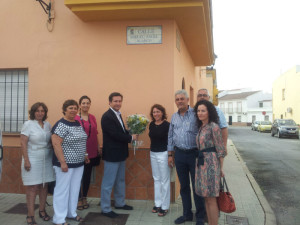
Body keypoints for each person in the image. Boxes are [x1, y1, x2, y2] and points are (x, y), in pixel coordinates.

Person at [167, 90, 205, 225]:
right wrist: (170, 154)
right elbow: (170, 136)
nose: (179, 101)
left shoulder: (196, 114)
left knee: (197, 187)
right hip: (179, 155)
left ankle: (200, 216)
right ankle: (187, 214)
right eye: (177, 99)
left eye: (182, 99)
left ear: (188, 100)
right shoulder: (174, 117)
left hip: (195, 154)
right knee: (184, 186)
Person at [51, 99, 89, 225]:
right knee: (62, 190)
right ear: (65, 110)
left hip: (78, 164)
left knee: (74, 189)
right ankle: (59, 219)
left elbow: (81, 140)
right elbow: (56, 144)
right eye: (70, 108)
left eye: (74, 108)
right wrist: (62, 162)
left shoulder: (77, 123)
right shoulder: (61, 124)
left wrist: (85, 155)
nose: (73, 110)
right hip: (65, 164)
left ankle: (71, 213)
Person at [100, 92, 138, 218]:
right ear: (109, 102)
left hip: (121, 154)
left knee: (120, 181)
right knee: (108, 183)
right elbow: (114, 134)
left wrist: (131, 132)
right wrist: (130, 138)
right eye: (115, 101)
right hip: (112, 155)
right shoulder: (107, 116)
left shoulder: (118, 114)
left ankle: (120, 203)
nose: (118, 103)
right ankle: (105, 208)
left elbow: (120, 131)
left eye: (120, 101)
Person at [20, 102, 55, 225]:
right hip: (32, 158)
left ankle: (42, 211)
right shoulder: (28, 124)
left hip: (46, 158)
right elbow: (23, 143)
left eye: (42, 111)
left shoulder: (47, 125)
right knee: (32, 187)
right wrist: (27, 160)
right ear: (33, 112)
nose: (40, 113)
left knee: (44, 186)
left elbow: (51, 142)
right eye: (37, 111)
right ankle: (30, 215)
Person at [194, 100, 226, 225]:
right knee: (206, 198)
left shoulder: (214, 126)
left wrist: (220, 169)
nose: (200, 113)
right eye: (198, 111)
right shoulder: (201, 127)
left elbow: (221, 150)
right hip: (201, 164)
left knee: (212, 199)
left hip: (211, 166)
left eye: (203, 110)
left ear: (209, 112)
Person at [75, 95, 101, 210]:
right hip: (80, 151)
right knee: (78, 176)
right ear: (79, 105)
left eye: (88, 103)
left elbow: (95, 133)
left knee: (87, 176)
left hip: (92, 150)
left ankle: (84, 196)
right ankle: (78, 199)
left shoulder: (93, 117)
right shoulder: (75, 118)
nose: (86, 105)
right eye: (83, 103)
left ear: (90, 104)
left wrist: (98, 146)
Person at [148, 104, 170, 216]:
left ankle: (165, 206)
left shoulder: (167, 125)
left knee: (164, 180)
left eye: (158, 111)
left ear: (162, 113)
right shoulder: (151, 124)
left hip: (164, 154)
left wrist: (170, 155)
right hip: (153, 153)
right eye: (154, 112)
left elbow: (170, 141)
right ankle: (158, 203)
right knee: (156, 179)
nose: (156, 114)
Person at [197, 88, 228, 152]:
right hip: (198, 150)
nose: (202, 97)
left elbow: (224, 128)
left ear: (209, 97)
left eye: (204, 95)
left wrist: (224, 146)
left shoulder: (217, 111)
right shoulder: (195, 111)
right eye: (200, 95)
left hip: (212, 150)